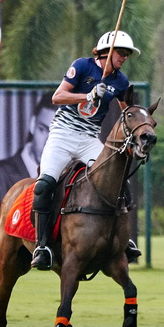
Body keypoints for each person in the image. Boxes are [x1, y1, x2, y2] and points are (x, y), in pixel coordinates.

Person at [30, 30, 140, 270]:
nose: (124, 58)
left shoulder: (120, 81)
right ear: (106, 52)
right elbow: (57, 97)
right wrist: (87, 95)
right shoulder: (82, 67)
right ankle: (42, 246)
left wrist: (136, 121)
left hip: (89, 138)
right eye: (121, 53)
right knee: (45, 184)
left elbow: (125, 112)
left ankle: (124, 242)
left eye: (127, 55)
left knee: (120, 182)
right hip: (62, 135)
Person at [0, 96, 57, 218]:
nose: (48, 143)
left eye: (57, 135)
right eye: (43, 130)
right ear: (32, 124)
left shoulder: (69, 180)